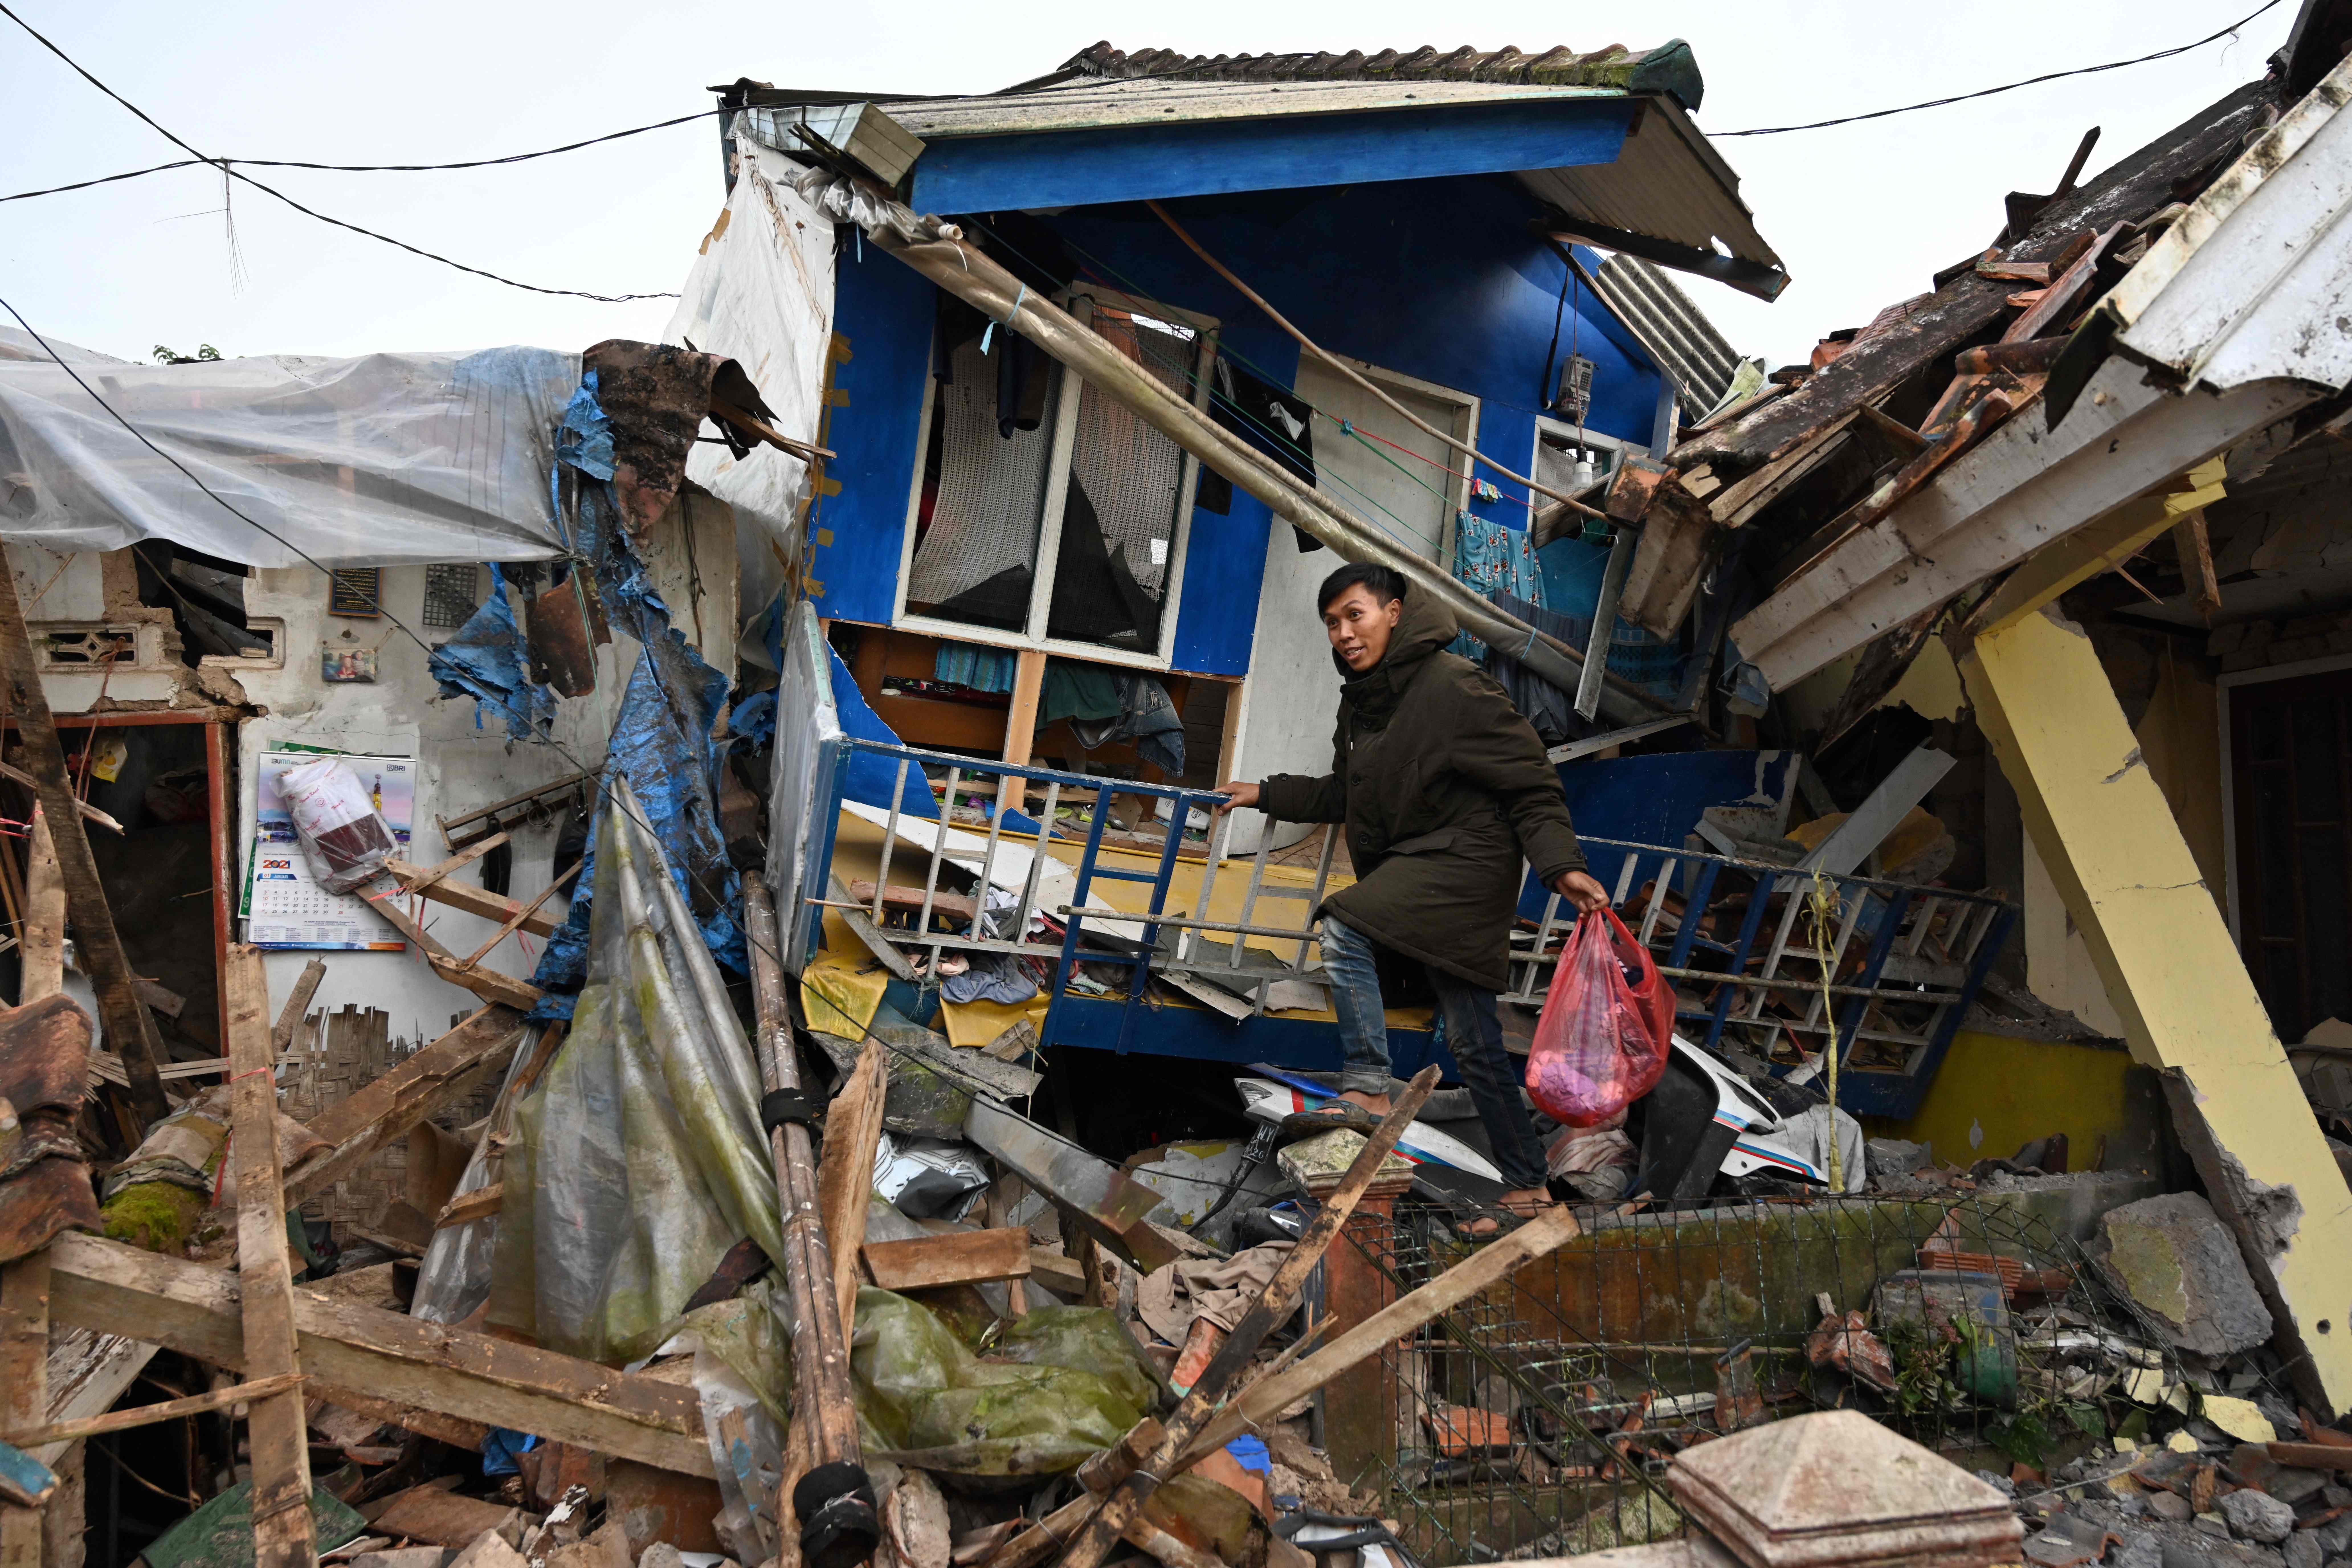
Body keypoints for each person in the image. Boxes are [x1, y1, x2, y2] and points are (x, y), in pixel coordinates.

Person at [1219, 562, 1611, 1226]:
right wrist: (1265, 792)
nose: (1344, 633)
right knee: (1474, 1043)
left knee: (1345, 923)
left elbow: (1531, 782)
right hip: (1419, 867)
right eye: (1332, 623)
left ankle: (1369, 1085)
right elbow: (1346, 793)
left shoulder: (1455, 685)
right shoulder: (1362, 702)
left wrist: (1560, 867)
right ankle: (1530, 1185)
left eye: (1356, 615)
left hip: (1465, 864)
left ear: (1395, 613)